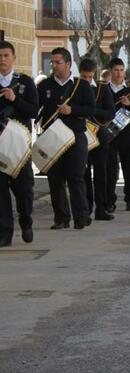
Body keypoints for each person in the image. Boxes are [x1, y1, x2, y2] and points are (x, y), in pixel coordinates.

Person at [37, 47, 95, 230]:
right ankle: (61, 218)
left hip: (75, 136)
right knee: (55, 178)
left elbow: (91, 110)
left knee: (76, 177)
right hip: (52, 138)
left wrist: (72, 110)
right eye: (52, 62)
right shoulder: (45, 85)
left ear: (68, 64)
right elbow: (35, 108)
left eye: (57, 62)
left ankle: (81, 217)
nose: (53, 65)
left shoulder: (82, 85)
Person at [0, 40, 39, 247]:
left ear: (13, 57)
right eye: (0, 56)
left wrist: (15, 99)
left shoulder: (24, 81)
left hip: (20, 147)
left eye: (6, 55)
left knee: (24, 189)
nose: (2, 60)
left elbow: (34, 111)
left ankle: (26, 221)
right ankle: (5, 233)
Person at [79, 58, 115, 221]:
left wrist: (92, 110)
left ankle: (102, 208)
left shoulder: (102, 88)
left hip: (100, 136)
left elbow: (110, 113)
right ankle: (86, 208)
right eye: (84, 77)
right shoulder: (75, 88)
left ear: (94, 74)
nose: (86, 80)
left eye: (89, 77)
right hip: (81, 135)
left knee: (101, 173)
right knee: (83, 173)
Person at [106, 57, 130, 211]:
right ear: (110, 71)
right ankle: (110, 200)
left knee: (129, 167)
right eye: (116, 70)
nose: (119, 73)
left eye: (121, 70)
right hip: (109, 134)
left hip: (126, 133)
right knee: (111, 169)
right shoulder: (104, 89)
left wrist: (129, 104)